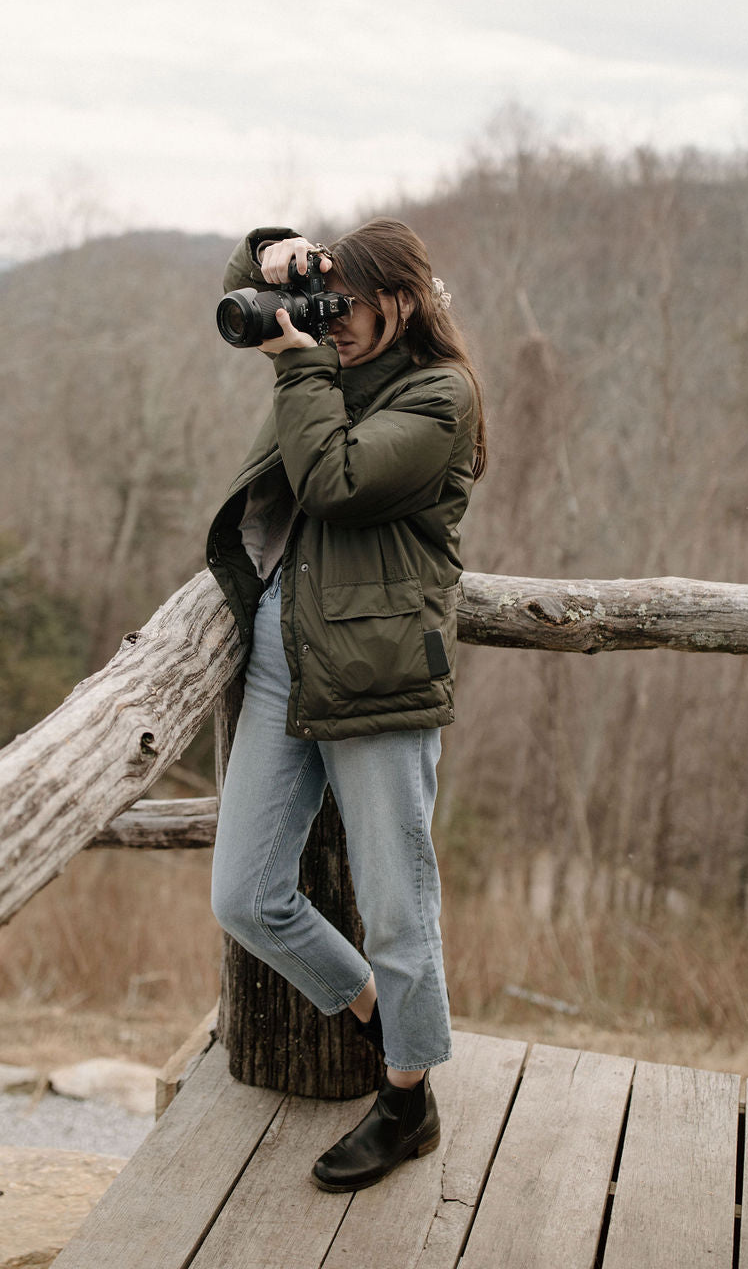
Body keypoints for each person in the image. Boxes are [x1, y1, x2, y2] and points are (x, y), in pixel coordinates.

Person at [207, 217, 486, 1191]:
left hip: (378, 676)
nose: (327, 326)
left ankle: (408, 1098)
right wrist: (279, 250)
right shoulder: (335, 359)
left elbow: (335, 478)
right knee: (245, 894)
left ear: (404, 301)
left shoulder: (440, 396)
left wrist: (297, 367)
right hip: (285, 657)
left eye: (349, 308)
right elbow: (247, 293)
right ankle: (382, 1017)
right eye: (324, 307)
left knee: (398, 911)